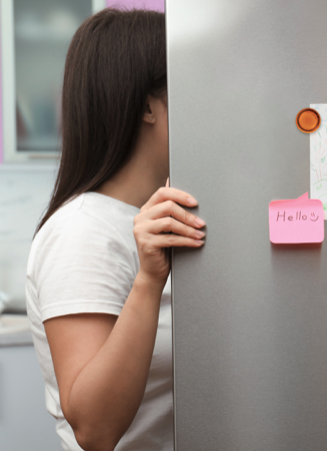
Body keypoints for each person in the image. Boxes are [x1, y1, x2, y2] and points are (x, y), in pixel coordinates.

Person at [25, 9, 203, 451]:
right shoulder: (82, 232)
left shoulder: (159, 213)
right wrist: (147, 280)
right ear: (147, 106)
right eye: (190, 85)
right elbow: (95, 431)